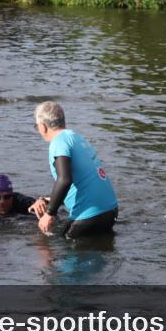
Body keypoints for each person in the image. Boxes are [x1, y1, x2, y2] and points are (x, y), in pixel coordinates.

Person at [33, 101, 118, 238]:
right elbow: (83, 180)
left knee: (58, 246)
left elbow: (64, 180)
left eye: (36, 126)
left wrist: (49, 214)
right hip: (110, 211)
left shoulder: (58, 142)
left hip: (89, 215)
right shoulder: (77, 138)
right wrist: (50, 200)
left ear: (43, 127)